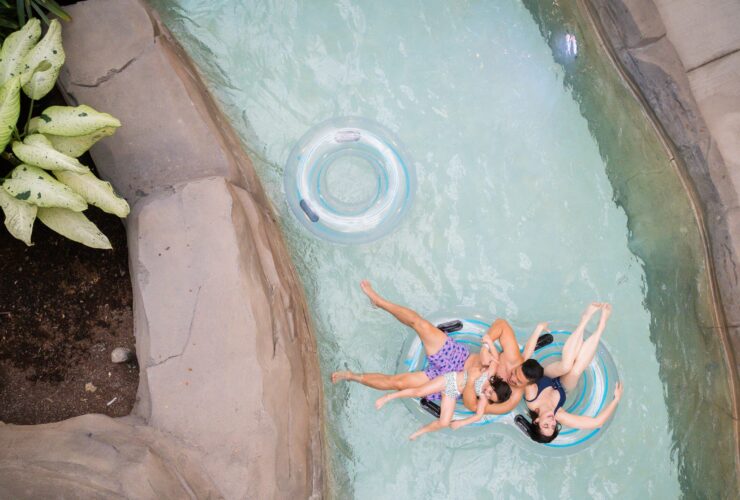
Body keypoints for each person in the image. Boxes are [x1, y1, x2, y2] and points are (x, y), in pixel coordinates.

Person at [520, 302, 624, 443]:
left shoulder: (532, 398)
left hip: (546, 376)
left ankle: (585, 319)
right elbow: (597, 423)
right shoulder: (559, 415)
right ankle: (601, 325)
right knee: (576, 370)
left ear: (536, 421)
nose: (551, 421)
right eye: (553, 426)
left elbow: (523, 366)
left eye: (546, 425)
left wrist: (538, 330)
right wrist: (616, 399)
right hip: (563, 386)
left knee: (566, 366)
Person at [374, 347, 512, 440]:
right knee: (419, 391)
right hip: (450, 379)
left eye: (490, 397)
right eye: (491, 391)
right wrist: (487, 345)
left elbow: (479, 415)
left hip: (453, 392)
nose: (487, 393)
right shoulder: (489, 374)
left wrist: (461, 423)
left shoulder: (483, 397)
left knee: (444, 422)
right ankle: (388, 397)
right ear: (495, 385)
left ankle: (420, 432)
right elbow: (495, 358)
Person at [461, 318, 547, 415]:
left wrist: (470, 381)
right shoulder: (513, 358)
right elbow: (502, 324)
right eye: (515, 372)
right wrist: (485, 349)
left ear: (528, 385)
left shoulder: (512, 399)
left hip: (457, 384)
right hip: (461, 358)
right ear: (520, 365)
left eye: (518, 381)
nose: (512, 378)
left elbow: (473, 406)